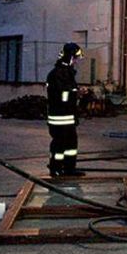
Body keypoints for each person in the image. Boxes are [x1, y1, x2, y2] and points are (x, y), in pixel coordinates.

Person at [46, 43, 84, 177]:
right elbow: (62, 95)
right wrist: (75, 93)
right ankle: (55, 168)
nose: (77, 61)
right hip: (59, 117)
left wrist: (76, 93)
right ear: (70, 57)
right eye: (76, 58)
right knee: (59, 144)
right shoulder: (58, 74)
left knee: (71, 144)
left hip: (68, 116)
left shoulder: (67, 72)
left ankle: (69, 168)